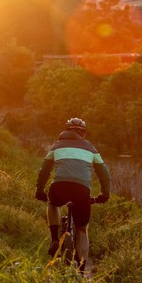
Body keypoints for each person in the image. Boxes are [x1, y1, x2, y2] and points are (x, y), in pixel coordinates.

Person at [35, 117, 111, 272]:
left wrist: (40, 190)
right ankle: (82, 270)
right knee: (82, 229)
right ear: (83, 134)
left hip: (60, 187)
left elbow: (44, 170)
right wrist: (105, 193)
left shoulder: (56, 146)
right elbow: (104, 172)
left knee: (52, 203)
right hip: (81, 190)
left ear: (66, 131)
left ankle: (55, 239)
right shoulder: (90, 148)